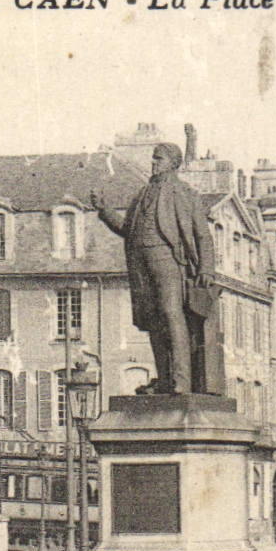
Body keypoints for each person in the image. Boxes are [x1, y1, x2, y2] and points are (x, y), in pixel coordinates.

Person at [92, 143, 218, 395]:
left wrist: (206, 268)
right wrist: (104, 210)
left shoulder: (184, 193)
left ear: (173, 163)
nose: (153, 163)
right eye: (153, 158)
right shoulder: (142, 194)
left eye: (158, 159)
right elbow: (128, 230)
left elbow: (202, 234)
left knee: (171, 314)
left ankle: (181, 382)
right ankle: (164, 378)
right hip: (140, 261)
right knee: (153, 319)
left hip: (169, 259)